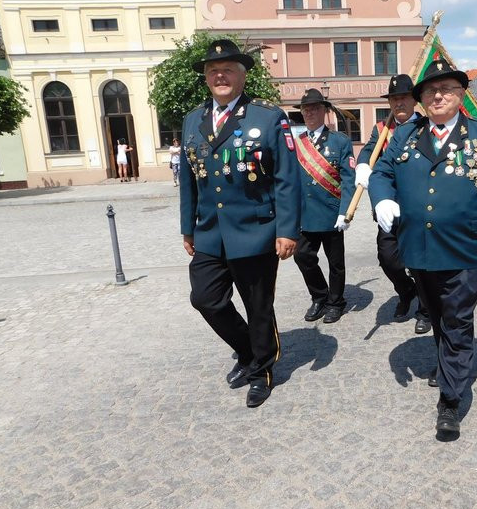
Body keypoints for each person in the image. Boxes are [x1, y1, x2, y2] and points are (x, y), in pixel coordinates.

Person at [369, 59, 477, 439]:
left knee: (456, 319)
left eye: (447, 89)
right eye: (430, 91)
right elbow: (382, 172)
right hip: (418, 250)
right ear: (420, 99)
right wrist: (382, 198)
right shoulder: (405, 136)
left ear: (460, 94)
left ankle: (450, 400)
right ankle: (448, 360)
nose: (438, 95)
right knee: (437, 317)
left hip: (465, 248)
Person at [179, 39, 301, 409]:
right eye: (213, 71)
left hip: (256, 229)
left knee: (258, 305)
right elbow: (188, 177)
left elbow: (286, 177)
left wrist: (287, 230)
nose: (220, 75)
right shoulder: (192, 119)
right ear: (206, 78)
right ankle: (247, 349)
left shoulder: (267, 117)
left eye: (229, 69)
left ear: (242, 76)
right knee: (205, 298)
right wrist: (188, 226)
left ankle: (261, 370)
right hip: (211, 231)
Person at [355, 74, 431, 335]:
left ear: (414, 100)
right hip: (387, 206)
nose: (399, 103)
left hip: (417, 205)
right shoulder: (381, 129)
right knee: (388, 258)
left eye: (403, 97)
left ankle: (425, 309)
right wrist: (363, 164)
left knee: (420, 261)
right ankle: (406, 291)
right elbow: (369, 149)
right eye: (394, 98)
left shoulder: (426, 125)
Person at [293, 88, 355, 324]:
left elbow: (348, 179)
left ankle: (336, 302)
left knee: (336, 263)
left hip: (331, 212)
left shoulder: (340, 142)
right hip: (306, 214)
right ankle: (319, 296)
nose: (309, 112)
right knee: (302, 256)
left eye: (315, 108)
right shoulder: (297, 144)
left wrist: (345, 212)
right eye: (305, 109)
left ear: (324, 111)